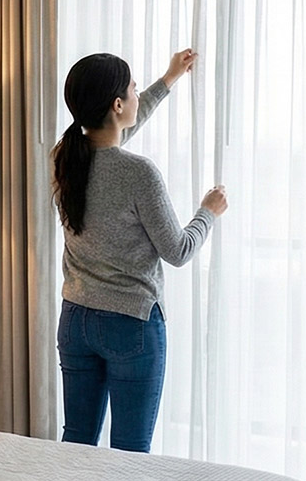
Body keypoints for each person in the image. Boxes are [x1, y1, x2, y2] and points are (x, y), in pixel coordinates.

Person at [53, 49, 228, 453]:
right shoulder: (139, 173)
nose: (136, 95)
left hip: (75, 320)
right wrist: (208, 212)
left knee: (75, 444)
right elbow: (179, 251)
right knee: (131, 454)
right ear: (117, 105)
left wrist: (167, 81)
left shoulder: (64, 160)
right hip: (130, 323)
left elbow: (111, 142)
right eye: (132, 89)